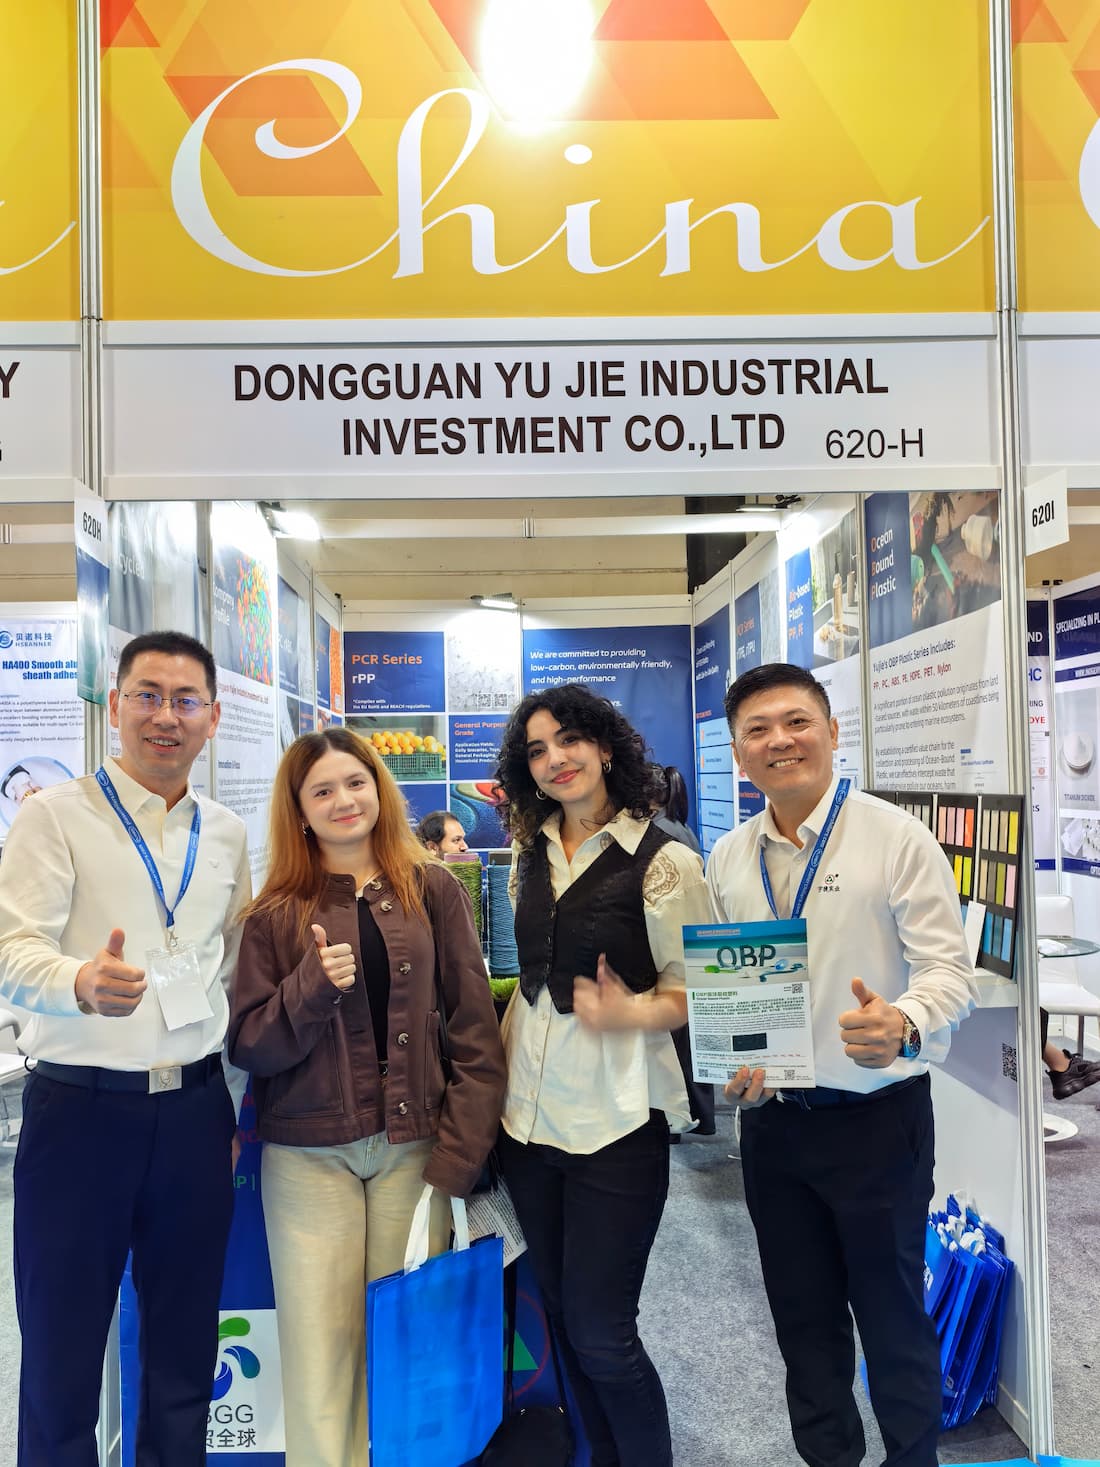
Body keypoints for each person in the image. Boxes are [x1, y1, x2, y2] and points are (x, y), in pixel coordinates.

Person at [706, 663, 979, 1467]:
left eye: (796, 721)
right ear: (739, 753)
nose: (779, 740)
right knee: (803, 1322)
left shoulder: (895, 837)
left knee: (893, 1318)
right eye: (757, 730)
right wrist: (737, 1058)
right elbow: (734, 986)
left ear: (830, 731)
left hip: (877, 1122)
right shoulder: (728, 856)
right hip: (774, 1127)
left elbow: (949, 970)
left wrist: (904, 1020)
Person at [0, 630, 251, 1467]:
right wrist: (78, 980)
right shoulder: (54, 817)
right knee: (61, 1358)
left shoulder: (225, 834)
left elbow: (231, 965)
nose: (165, 715)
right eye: (147, 695)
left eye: (185, 700)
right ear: (114, 706)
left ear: (212, 716)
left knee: (185, 1352)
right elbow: (10, 947)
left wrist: (233, 1097)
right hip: (80, 1113)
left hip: (194, 1114)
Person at [228, 727, 506, 1467]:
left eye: (356, 782)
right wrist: (311, 989)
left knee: (411, 1350)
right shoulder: (274, 911)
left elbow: (475, 1033)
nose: (343, 800)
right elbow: (250, 1046)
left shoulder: (433, 888)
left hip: (415, 1155)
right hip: (307, 1157)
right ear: (299, 810)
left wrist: (459, 1158)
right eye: (322, 790)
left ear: (379, 788)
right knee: (320, 1358)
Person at [493, 683, 714, 1467]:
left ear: (606, 746)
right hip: (525, 1120)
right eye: (537, 750)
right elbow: (532, 975)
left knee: (604, 1333)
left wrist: (635, 1011)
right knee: (559, 1314)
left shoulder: (665, 860)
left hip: (615, 1121)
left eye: (569, 740)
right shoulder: (530, 850)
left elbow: (700, 990)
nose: (555, 759)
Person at [653, 766, 715, 1138]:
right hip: (687, 950)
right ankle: (698, 1117)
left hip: (676, 955)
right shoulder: (678, 827)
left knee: (678, 1046)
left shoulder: (661, 834)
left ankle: (680, 1120)